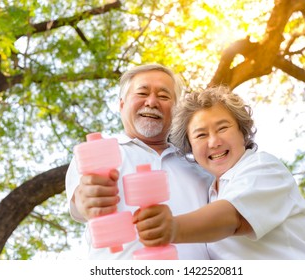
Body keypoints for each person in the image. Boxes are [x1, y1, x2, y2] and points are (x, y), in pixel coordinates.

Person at [134, 85, 305, 259]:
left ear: (242, 132)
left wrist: (173, 227)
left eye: (223, 128)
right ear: (190, 146)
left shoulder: (263, 167)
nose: (214, 142)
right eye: (201, 135)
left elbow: (233, 217)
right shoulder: (209, 193)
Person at [65, 64, 213, 260]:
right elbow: (82, 200)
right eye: (142, 93)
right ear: (122, 104)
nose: (151, 102)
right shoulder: (96, 156)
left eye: (163, 96)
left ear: (176, 110)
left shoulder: (202, 167)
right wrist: (88, 198)